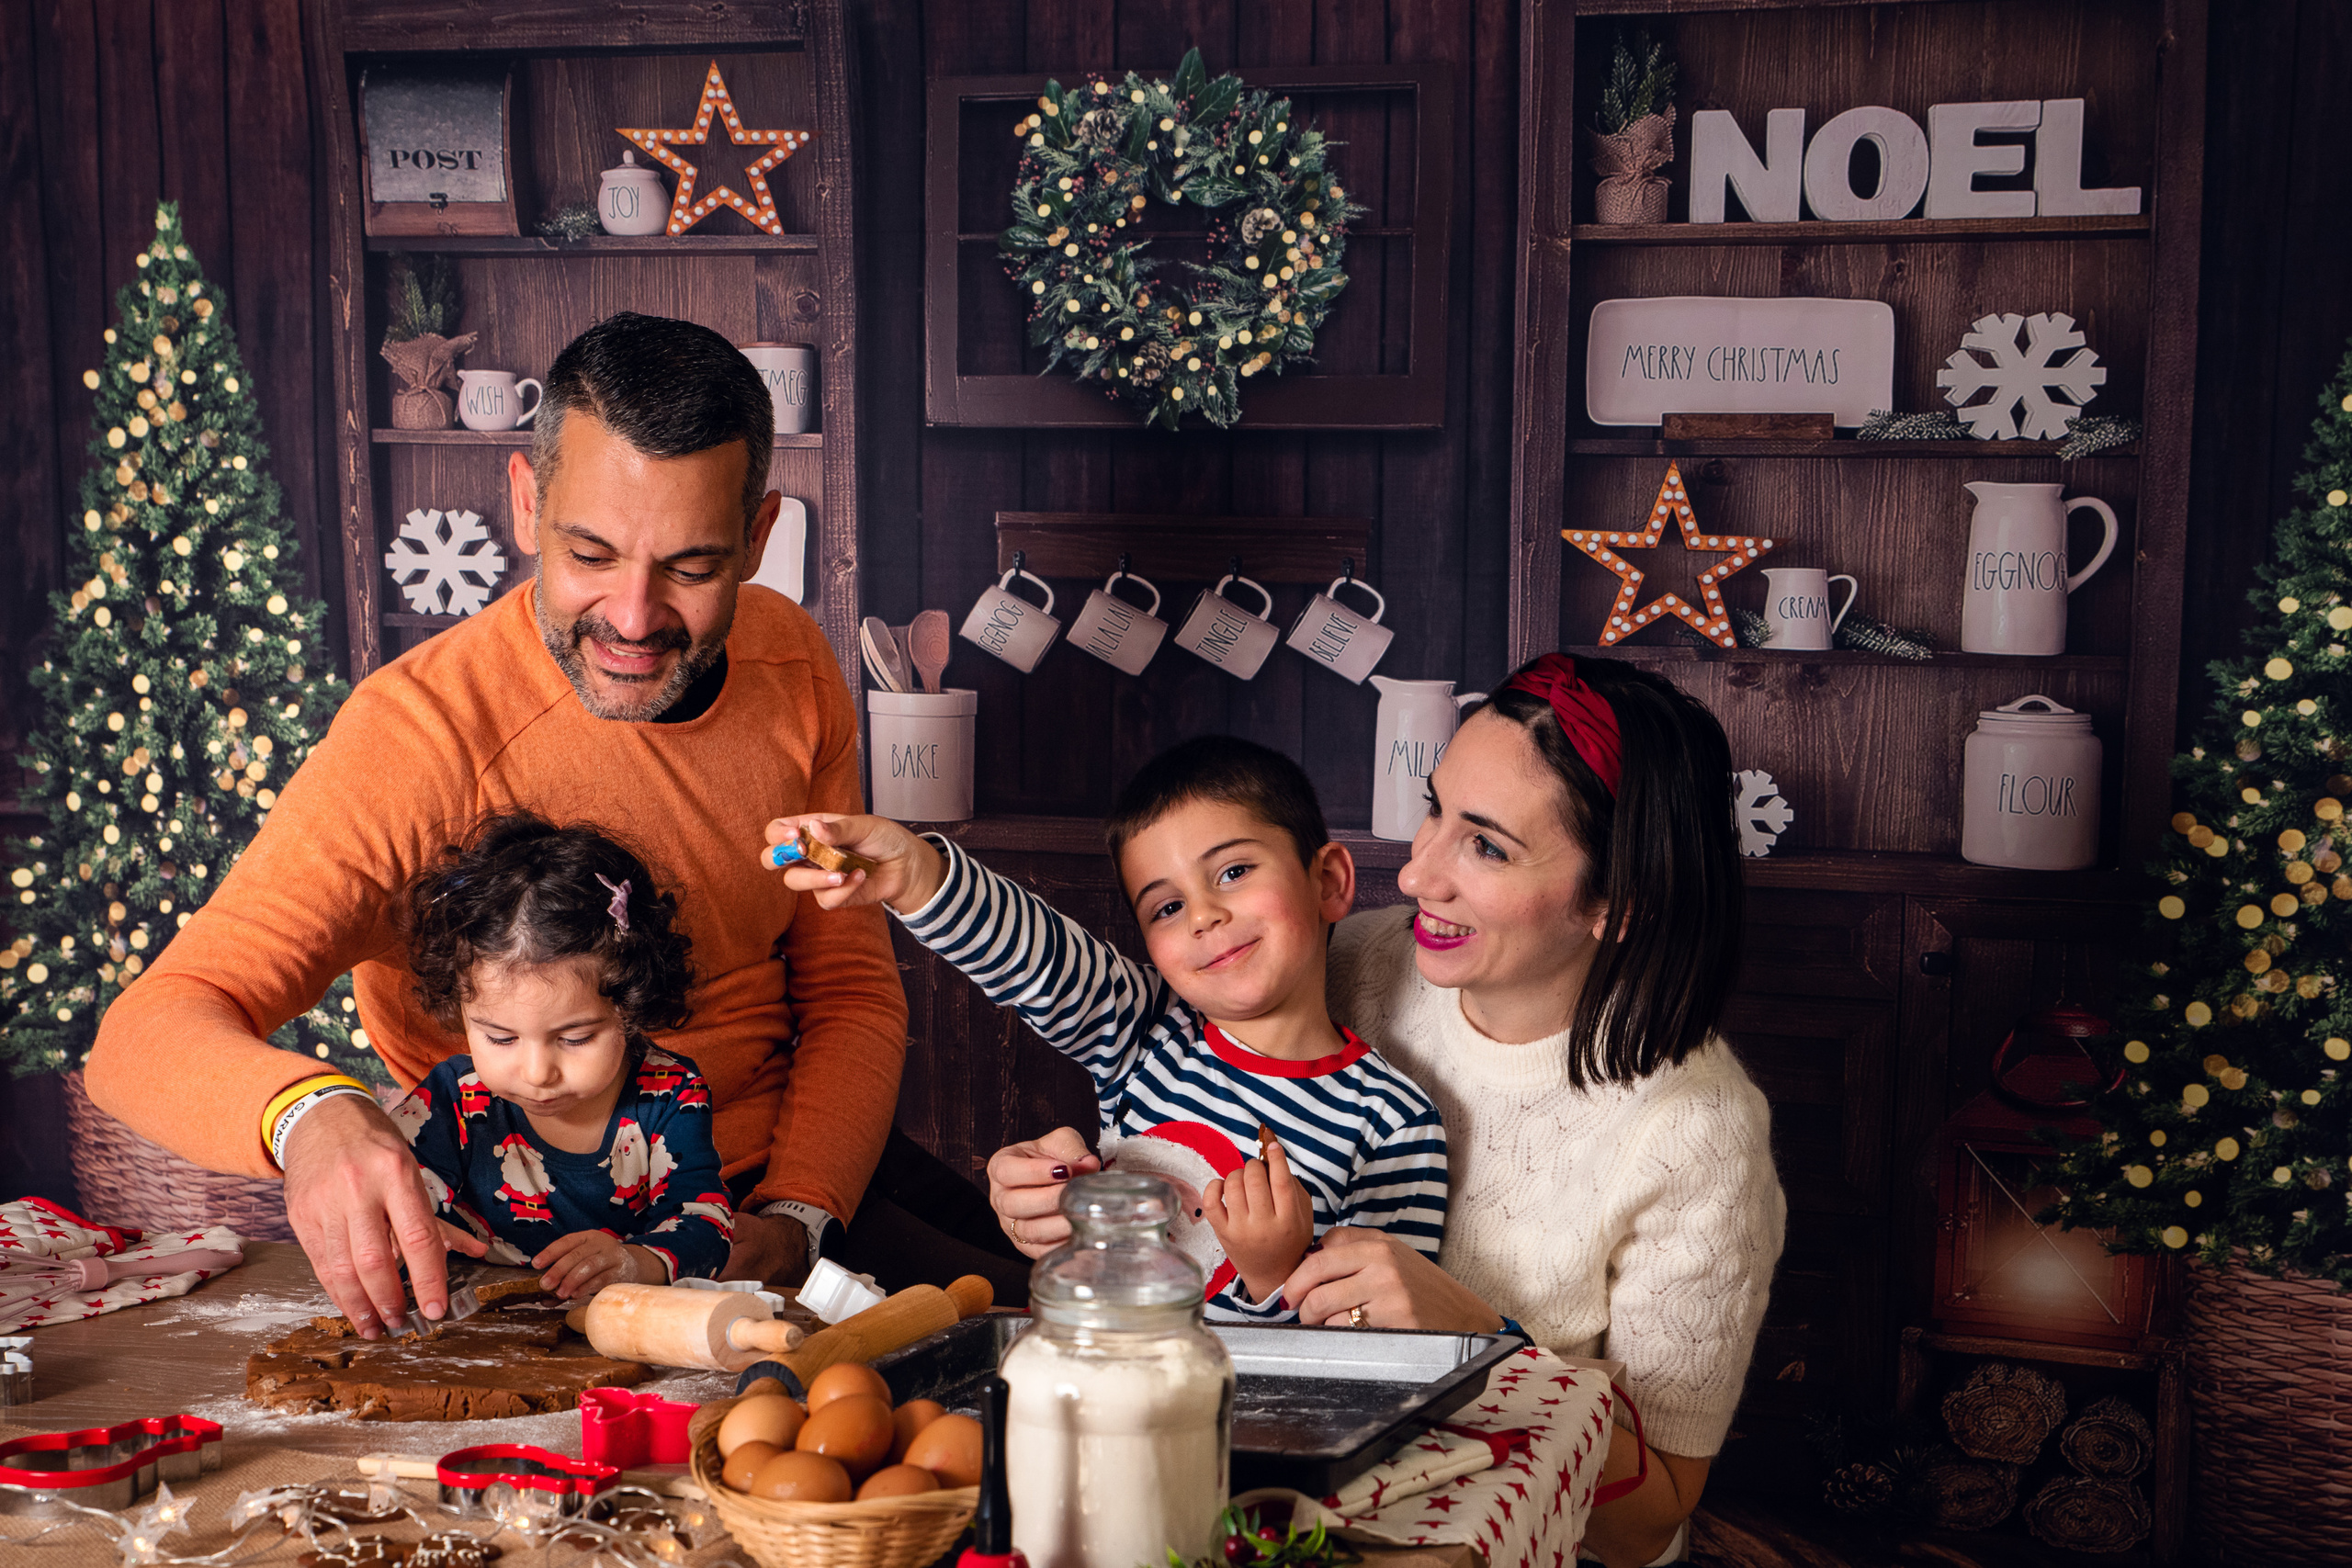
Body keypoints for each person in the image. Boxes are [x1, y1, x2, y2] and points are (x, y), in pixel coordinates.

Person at [88, 311, 1003, 1338]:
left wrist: (798, 1212)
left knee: (1029, 1325)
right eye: (590, 553)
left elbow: (848, 995)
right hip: (540, 1244)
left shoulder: (791, 663)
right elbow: (141, 1033)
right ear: (527, 504)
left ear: (757, 538)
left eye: (692, 567)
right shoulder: (418, 739)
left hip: (777, 1191)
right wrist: (309, 1114)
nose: (632, 614)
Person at [985, 656, 1785, 1568]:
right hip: (1259, 1498)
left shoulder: (1698, 1135)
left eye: (1485, 845)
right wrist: (1067, 1192)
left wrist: (1483, 1345)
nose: (1415, 876)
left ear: (1618, 903)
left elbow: (1653, 1522)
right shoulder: (1362, 961)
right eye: (1434, 808)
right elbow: (1152, 1073)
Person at [763, 736, 1448, 1318]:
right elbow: (1032, 954)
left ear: (1328, 880)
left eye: (1234, 871)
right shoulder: (1144, 1032)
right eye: (1167, 907)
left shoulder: (1394, 1121)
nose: (1204, 915)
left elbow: (1387, 1343)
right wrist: (919, 877)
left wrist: (1274, 1275)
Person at [390, 812, 731, 1299]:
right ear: (460, 1011)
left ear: (631, 1009)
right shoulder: (452, 1098)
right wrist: (410, 1232)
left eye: (574, 1039)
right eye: (501, 1039)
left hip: (615, 1327)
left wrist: (638, 1261)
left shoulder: (670, 1094)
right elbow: (397, 1193)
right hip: (480, 1332)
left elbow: (706, 1223)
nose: (537, 1074)